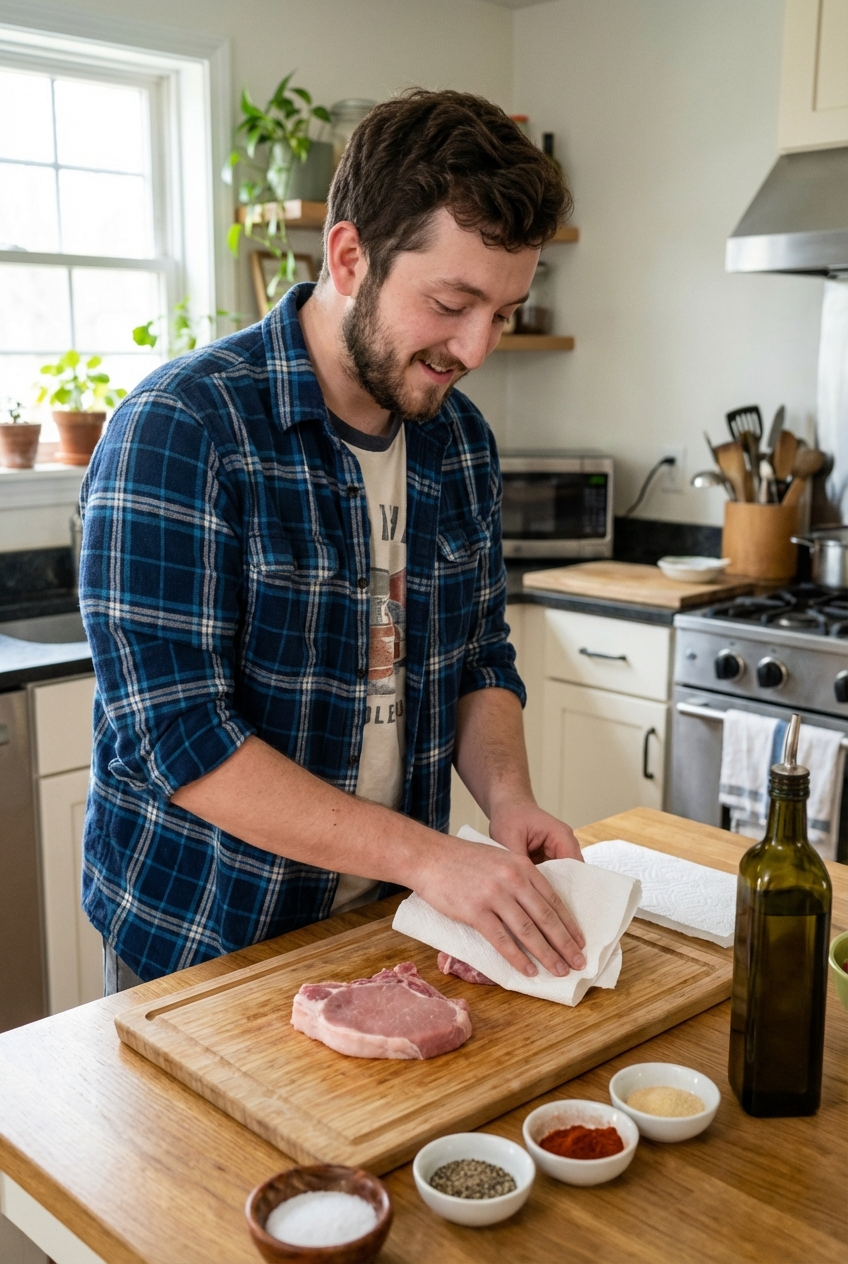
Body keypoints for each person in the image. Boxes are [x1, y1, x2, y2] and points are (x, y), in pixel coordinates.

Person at [80, 88, 587, 994]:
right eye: (452, 302)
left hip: (385, 927)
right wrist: (431, 859)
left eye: (504, 313)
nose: (476, 348)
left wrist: (508, 803)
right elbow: (180, 738)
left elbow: (479, 656)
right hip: (204, 945)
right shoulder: (183, 428)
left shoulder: (458, 439)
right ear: (350, 256)